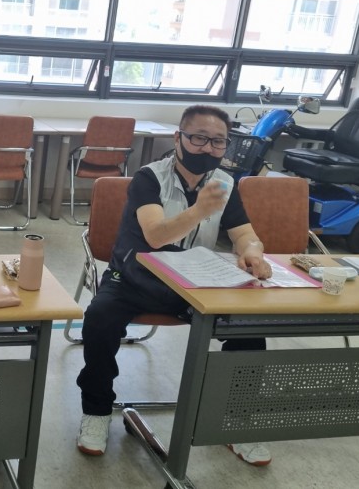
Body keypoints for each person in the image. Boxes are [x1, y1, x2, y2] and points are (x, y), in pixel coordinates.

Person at [76, 105, 273, 467]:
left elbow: (244, 233)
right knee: (99, 319)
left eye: (218, 142)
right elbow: (154, 235)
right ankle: (97, 410)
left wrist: (252, 251)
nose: (208, 148)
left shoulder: (224, 183)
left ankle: (235, 420)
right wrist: (199, 210)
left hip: (196, 284)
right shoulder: (149, 178)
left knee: (249, 328)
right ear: (178, 138)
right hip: (135, 278)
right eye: (199, 138)